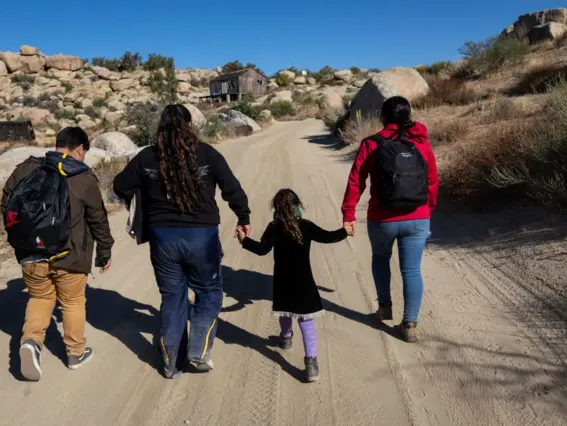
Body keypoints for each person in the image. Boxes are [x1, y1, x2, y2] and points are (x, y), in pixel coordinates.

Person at [113, 104, 251, 379]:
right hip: (202, 237)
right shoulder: (207, 154)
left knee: (172, 298)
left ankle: (171, 364)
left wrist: (145, 197)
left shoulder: (147, 157)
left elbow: (119, 186)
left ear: (161, 127)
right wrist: (243, 216)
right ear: (190, 126)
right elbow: (231, 188)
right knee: (209, 292)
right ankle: (198, 351)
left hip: (163, 239)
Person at [0, 127, 114, 381]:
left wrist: (20, 239)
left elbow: (7, 203)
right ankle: (75, 353)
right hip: (70, 255)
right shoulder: (82, 176)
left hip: (31, 253)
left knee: (40, 298)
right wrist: (104, 250)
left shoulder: (26, 169)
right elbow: (97, 217)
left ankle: (30, 342)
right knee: (72, 302)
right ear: (80, 149)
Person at [341, 96, 438, 343]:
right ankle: (410, 324)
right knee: (412, 270)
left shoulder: (371, 144)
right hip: (418, 217)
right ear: (408, 116)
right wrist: (429, 208)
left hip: (382, 219)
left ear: (383, 117)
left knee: (380, 259)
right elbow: (432, 181)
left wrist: (348, 214)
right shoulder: (422, 144)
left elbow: (356, 181)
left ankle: (384, 307)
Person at [236, 188, 348, 382]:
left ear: (276, 208)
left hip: (283, 281)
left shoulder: (274, 227)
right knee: (306, 321)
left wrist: (244, 241)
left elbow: (262, 249)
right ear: (298, 206)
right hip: (304, 282)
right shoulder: (306, 225)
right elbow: (328, 237)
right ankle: (311, 363)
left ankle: (286, 338)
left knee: (285, 311)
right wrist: (346, 231)